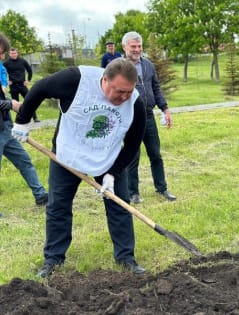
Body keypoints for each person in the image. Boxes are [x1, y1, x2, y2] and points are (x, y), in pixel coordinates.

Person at [12, 58, 147, 278]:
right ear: (105, 80)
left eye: (128, 92)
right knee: (58, 207)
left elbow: (133, 143)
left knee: (119, 206)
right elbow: (40, 88)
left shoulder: (135, 104)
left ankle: (126, 258)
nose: (124, 97)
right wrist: (22, 121)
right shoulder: (76, 80)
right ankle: (53, 260)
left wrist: (113, 173)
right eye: (119, 91)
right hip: (68, 155)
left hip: (107, 158)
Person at [122, 31, 176, 203]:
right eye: (133, 46)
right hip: (130, 118)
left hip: (149, 116)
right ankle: (133, 193)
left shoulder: (148, 66)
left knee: (155, 154)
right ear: (125, 47)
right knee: (132, 156)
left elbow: (156, 88)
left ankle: (162, 188)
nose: (137, 49)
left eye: (139, 46)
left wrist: (165, 109)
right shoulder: (119, 67)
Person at [0, 32, 48, 209]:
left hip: (5, 127)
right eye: (1, 52)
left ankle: (41, 195)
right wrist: (10, 104)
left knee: (24, 160)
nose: (3, 56)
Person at [3, 48, 39, 122]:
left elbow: (29, 70)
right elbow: (1, 72)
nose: (14, 55)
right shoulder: (6, 63)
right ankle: (19, 120)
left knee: (30, 101)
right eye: (12, 54)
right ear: (9, 54)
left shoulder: (22, 61)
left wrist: (28, 80)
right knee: (15, 105)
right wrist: (6, 81)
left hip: (23, 85)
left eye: (15, 53)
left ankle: (35, 117)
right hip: (13, 86)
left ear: (17, 53)